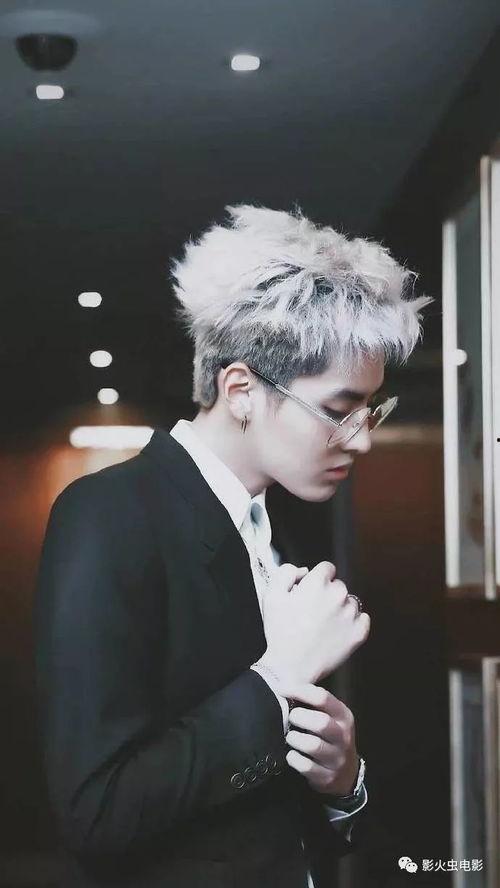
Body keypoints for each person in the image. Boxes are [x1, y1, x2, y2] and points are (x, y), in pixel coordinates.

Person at [34, 203, 433, 887]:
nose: (363, 440)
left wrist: (343, 784)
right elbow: (96, 814)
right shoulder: (108, 515)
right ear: (241, 389)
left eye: (372, 412)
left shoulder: (288, 526)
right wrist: (276, 680)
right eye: (339, 411)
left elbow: (269, 804)